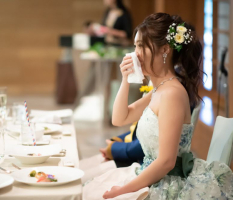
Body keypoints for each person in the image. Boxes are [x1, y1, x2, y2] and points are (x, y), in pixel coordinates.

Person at [83, 13, 233, 200]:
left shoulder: (172, 94)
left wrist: (123, 190)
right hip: (150, 174)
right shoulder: (158, 89)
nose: (135, 54)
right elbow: (119, 118)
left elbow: (166, 162)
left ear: (164, 49)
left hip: (167, 183)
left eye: (141, 46)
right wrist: (125, 80)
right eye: (135, 45)